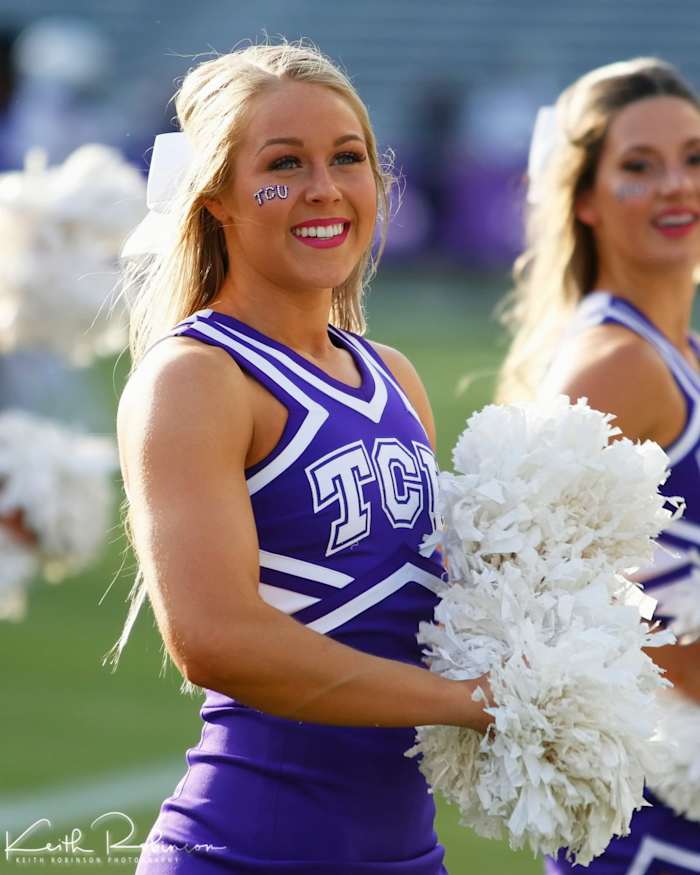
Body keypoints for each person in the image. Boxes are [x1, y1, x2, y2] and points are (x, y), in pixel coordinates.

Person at [114, 42, 490, 874]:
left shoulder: (393, 377)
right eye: (283, 165)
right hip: (243, 850)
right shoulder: (197, 377)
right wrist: (467, 702)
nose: (324, 188)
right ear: (217, 197)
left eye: (347, 158)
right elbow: (215, 637)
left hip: (408, 855)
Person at [497, 57, 700, 874]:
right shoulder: (617, 363)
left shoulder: (679, 351)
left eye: (693, 158)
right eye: (639, 167)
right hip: (650, 820)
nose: (676, 185)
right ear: (584, 198)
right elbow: (522, 588)